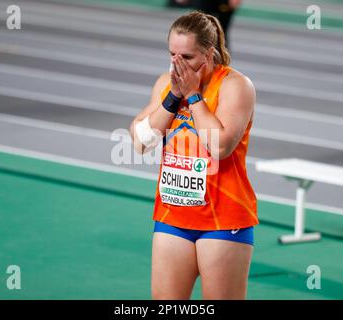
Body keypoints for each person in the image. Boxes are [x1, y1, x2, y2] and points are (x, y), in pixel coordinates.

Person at [129, 11, 258, 300]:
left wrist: (194, 96)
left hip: (223, 221)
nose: (177, 64)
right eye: (172, 55)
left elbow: (220, 146)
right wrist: (173, 98)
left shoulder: (236, 86)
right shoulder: (166, 84)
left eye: (186, 57)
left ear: (209, 54)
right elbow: (140, 141)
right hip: (172, 215)